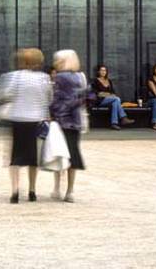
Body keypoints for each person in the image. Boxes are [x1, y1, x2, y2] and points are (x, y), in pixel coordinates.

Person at [0, 47, 53, 204]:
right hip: (37, 120)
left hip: (18, 119)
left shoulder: (12, 77)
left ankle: (15, 190)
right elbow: (49, 98)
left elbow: (1, 95)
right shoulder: (44, 78)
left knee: (15, 157)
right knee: (33, 157)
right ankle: (32, 191)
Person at [48, 50, 90, 203]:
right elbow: (86, 96)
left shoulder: (59, 77)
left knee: (59, 153)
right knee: (73, 154)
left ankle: (57, 187)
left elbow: (56, 98)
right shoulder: (81, 76)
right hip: (76, 121)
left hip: (61, 120)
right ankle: (70, 190)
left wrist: (51, 112)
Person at [89, 64, 126, 130]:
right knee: (116, 99)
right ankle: (123, 117)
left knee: (115, 102)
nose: (103, 72)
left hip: (109, 100)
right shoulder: (95, 81)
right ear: (98, 72)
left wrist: (108, 94)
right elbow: (97, 94)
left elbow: (113, 93)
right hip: (99, 101)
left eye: (105, 70)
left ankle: (114, 123)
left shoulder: (109, 81)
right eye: (102, 70)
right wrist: (108, 94)